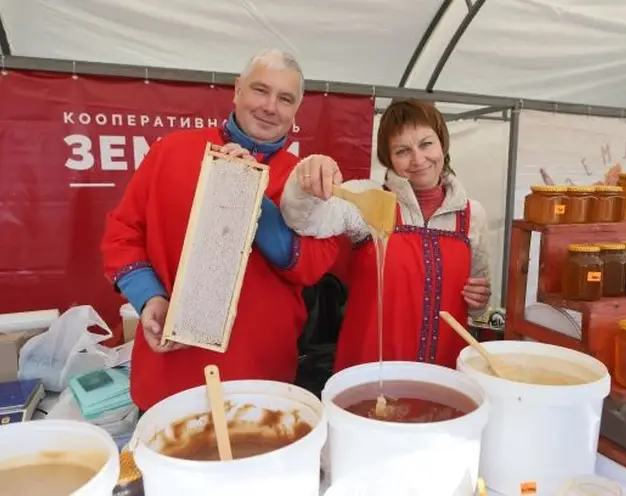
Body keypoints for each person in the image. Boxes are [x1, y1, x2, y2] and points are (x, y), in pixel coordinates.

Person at [101, 49, 340, 411]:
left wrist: (250, 200)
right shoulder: (170, 151)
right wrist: (150, 297)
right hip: (171, 373)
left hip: (262, 378)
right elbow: (122, 235)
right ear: (237, 90)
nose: (270, 106)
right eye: (260, 90)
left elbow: (314, 265)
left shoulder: (304, 180)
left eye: (285, 98)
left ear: (296, 111)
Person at [280, 99, 491, 371]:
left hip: (445, 376)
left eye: (426, 144)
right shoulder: (368, 199)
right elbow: (303, 220)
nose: (418, 159)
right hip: (370, 374)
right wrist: (306, 178)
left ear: (442, 144)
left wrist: (480, 301)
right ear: (389, 158)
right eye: (403, 150)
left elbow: (478, 308)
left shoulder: (473, 215)